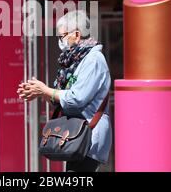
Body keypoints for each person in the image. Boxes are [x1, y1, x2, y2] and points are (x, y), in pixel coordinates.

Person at [17, 10, 112, 172]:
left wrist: (45, 90)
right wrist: (40, 92)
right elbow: (63, 98)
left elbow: (77, 98)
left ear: (76, 34)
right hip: (76, 134)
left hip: (89, 135)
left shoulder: (93, 59)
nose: (61, 41)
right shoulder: (75, 60)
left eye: (62, 36)